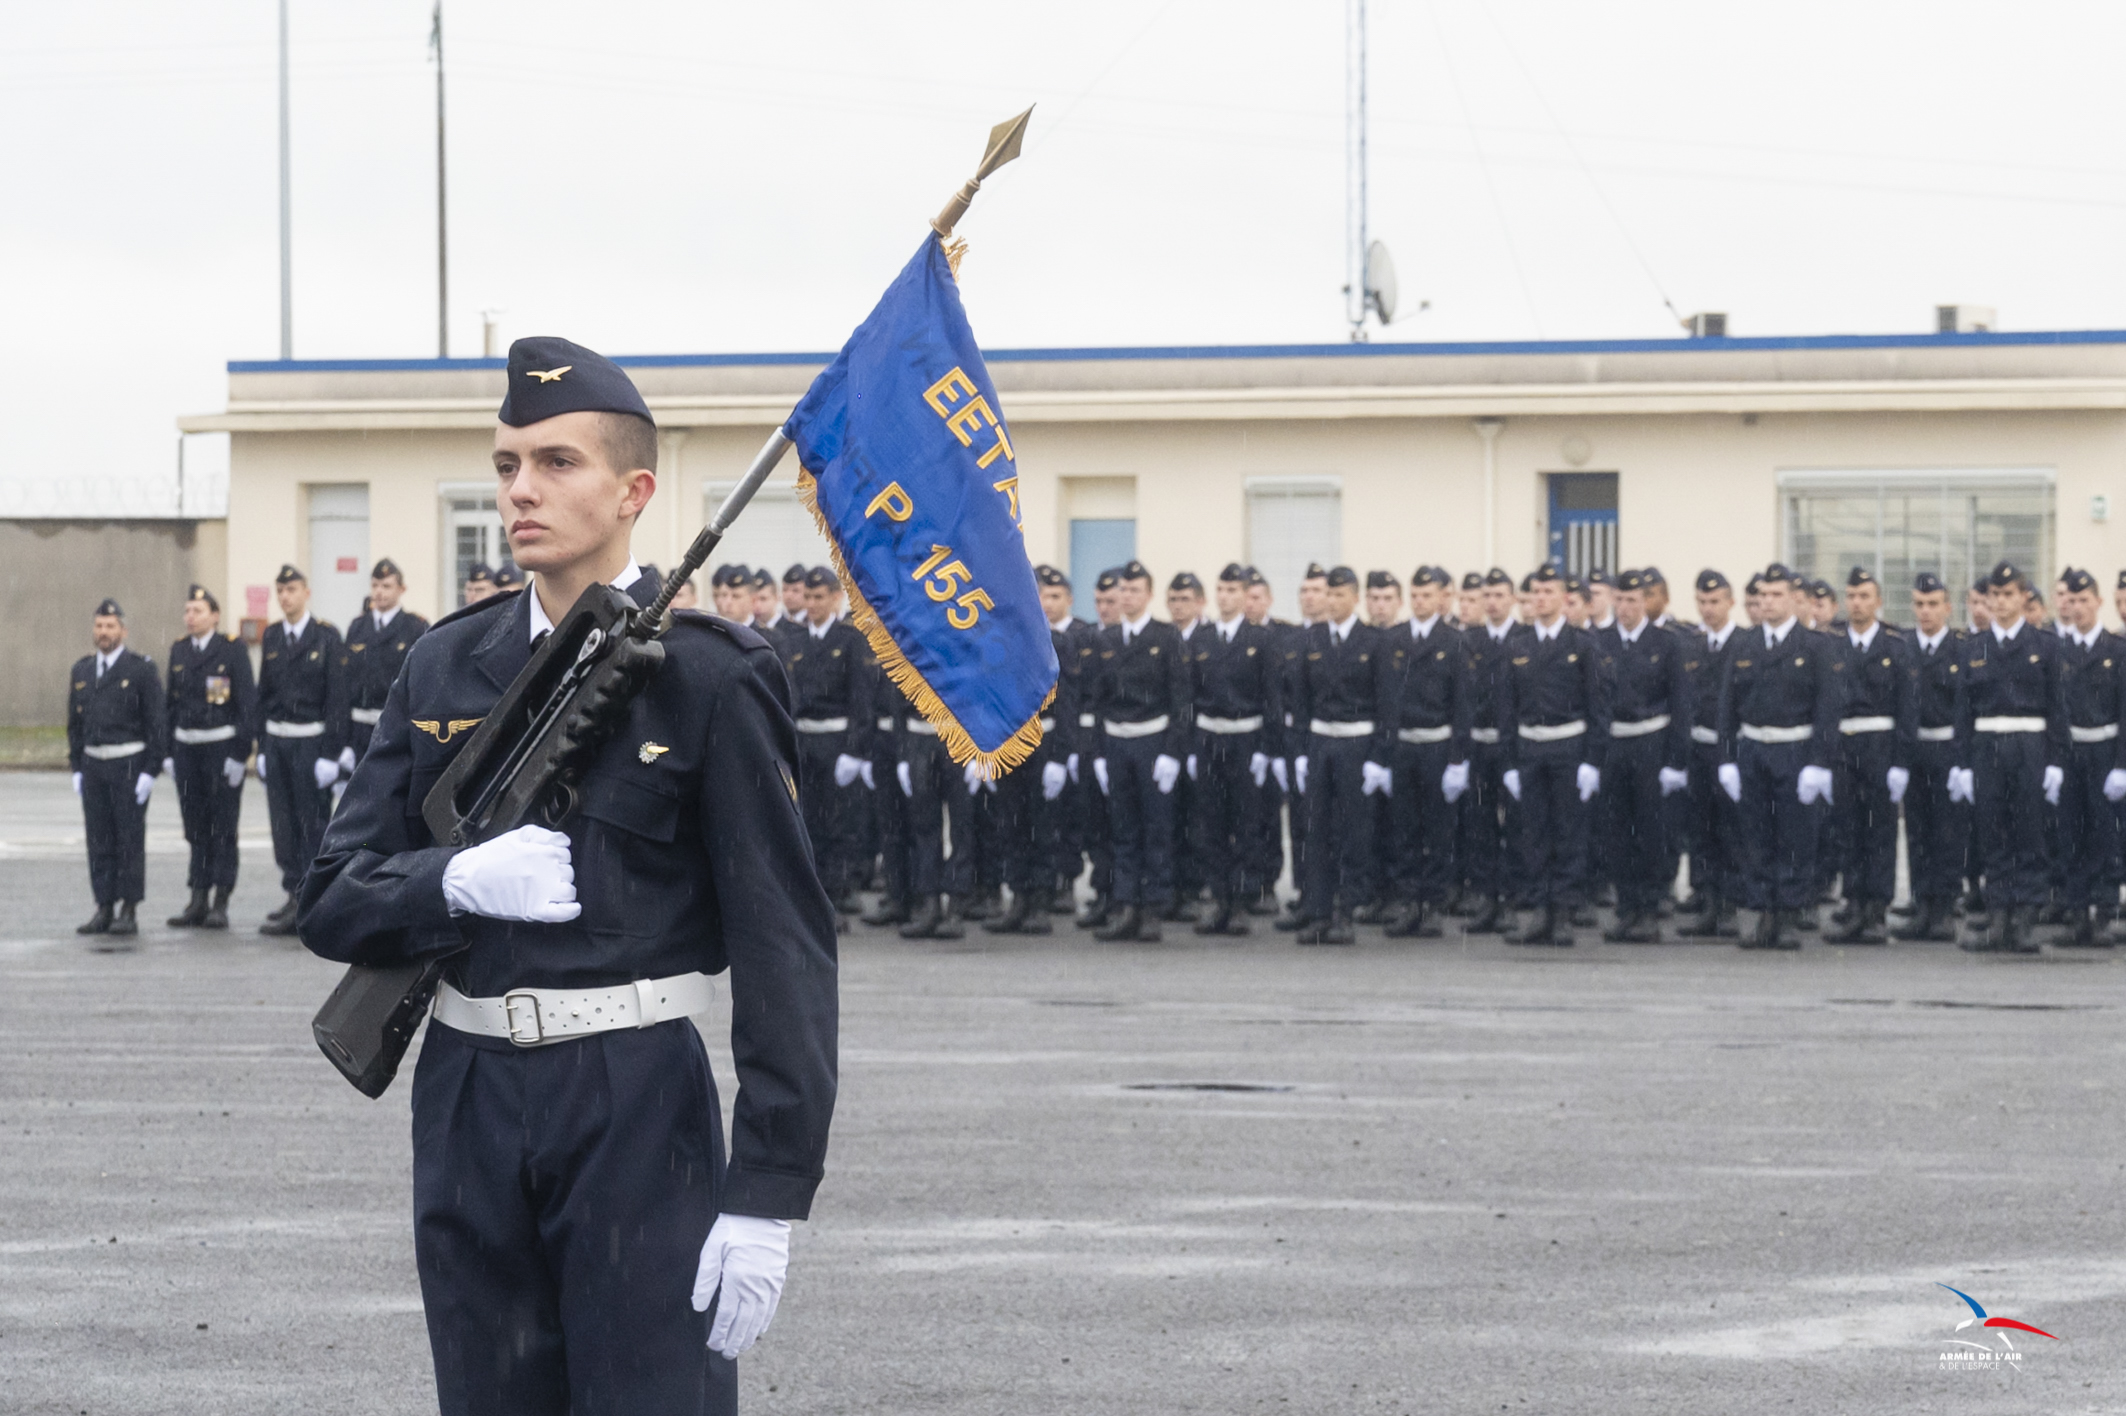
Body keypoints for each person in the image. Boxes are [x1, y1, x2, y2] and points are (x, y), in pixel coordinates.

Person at [299, 336, 836, 1414]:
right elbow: (332, 894)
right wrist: (450, 882)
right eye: (505, 466)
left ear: (634, 490)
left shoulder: (710, 678)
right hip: (467, 1093)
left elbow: (784, 943)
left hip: (633, 1095)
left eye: (554, 463)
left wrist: (768, 1191)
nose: (520, 491)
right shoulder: (444, 665)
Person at [1716, 564, 1840, 950]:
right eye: (1762, 596)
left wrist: (1819, 763)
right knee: (1754, 836)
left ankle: (1787, 914)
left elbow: (1827, 709)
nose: (1767, 602)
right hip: (1753, 749)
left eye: (1775, 595)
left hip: (1796, 749)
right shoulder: (1743, 644)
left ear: (1792, 599)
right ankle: (1760, 914)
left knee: (1794, 836)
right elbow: (1727, 706)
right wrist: (1726, 759)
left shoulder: (1815, 646)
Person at [1952, 561, 2068, 952]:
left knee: (2029, 832)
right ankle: (1998, 917)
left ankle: (2024, 921)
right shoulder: (1974, 647)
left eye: (2008, 595)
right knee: (1993, 832)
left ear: (2023, 597)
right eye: (1994, 595)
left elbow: (2057, 708)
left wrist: (2055, 761)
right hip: (1988, 746)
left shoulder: (2046, 645)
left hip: (2030, 745)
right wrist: (1963, 764)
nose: (2000, 602)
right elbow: (1963, 711)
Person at [1495, 564, 1609, 946]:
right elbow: (1506, 710)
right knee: (1532, 834)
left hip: (1569, 748)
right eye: (1535, 593)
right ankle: (1539, 912)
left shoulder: (1582, 645)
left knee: (1569, 833)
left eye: (1548, 592)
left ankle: (1563, 912)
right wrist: (1509, 763)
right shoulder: (1518, 645)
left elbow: (1598, 708)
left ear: (1563, 598)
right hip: (1529, 750)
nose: (1541, 599)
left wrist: (1593, 761)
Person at [1286, 566, 1392, 944]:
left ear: (1354, 598)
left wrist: (1379, 758)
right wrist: (1299, 752)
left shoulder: (1373, 642)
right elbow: (1300, 701)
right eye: (1327, 595)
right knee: (1316, 833)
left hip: (1357, 745)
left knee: (1353, 833)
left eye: (1338, 595)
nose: (1330, 602)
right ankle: (1318, 911)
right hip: (1319, 745)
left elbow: (1386, 705)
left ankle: (1346, 911)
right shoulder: (1311, 639)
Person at [1088, 560, 1191, 942]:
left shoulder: (1166, 637)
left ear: (1148, 595)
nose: (1127, 596)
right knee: (1123, 830)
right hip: (1117, 743)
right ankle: (1126, 905)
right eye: (1123, 590)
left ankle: (1152, 909)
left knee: (1157, 829)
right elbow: (1097, 703)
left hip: (1153, 742)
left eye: (1135, 590)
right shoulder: (1107, 640)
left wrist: (1172, 752)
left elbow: (1181, 698)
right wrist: (1098, 752)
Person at [1182, 563, 1282, 936]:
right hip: (1209, 739)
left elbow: (1272, 698)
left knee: (1246, 823)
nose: (1226, 597)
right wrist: (1190, 746)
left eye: (1233, 591)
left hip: (1246, 739)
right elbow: (1189, 698)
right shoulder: (1201, 639)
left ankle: (1241, 901)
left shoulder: (1262, 639)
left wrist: (1267, 750)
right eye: (1221, 590)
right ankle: (1218, 899)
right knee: (1211, 823)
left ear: (1244, 596)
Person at [1817, 567, 1917, 945]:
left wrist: (1901, 763)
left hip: (1880, 746)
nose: (1857, 604)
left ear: (1878, 602)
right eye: (1852, 596)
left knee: (1879, 830)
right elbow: (1826, 705)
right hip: (1844, 746)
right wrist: (1824, 758)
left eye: (1864, 597)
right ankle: (1854, 902)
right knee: (1846, 829)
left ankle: (1876, 909)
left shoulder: (1896, 645)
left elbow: (1908, 708)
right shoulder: (1831, 643)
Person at [1594, 569, 1692, 942]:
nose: (1624, 608)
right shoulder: (1599, 642)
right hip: (1613, 746)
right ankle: (1626, 907)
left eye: (1632, 601)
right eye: (1619, 600)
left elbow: (1682, 704)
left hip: (1652, 743)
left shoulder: (1666, 643)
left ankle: (1649, 909)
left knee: (1651, 831)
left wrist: (1676, 761)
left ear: (1646, 602)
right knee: (1615, 831)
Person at [984, 565, 1079, 935]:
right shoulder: (1002, 639)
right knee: (1010, 824)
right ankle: (1018, 898)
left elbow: (1068, 703)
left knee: (1043, 826)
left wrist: (1060, 757)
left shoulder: (1059, 642)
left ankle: (1040, 900)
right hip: (1009, 742)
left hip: (1045, 740)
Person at [255, 564, 347, 936]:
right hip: (279, 742)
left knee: (312, 824)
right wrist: (261, 746)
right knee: (283, 824)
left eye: (291, 589)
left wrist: (331, 753)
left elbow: (337, 698)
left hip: (311, 743)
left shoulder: (326, 636)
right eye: (280, 590)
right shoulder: (273, 636)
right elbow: (264, 695)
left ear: (306, 593)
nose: (284, 597)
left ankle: (313, 900)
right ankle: (293, 895)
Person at [67, 598, 165, 942]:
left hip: (128, 765)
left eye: (110, 626)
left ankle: (128, 909)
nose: (103, 632)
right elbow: (74, 725)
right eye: (98, 626)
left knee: (128, 839)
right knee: (99, 839)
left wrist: (151, 770)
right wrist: (77, 766)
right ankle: (104, 905)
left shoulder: (139, 670)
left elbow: (156, 722)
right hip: (94, 765)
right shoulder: (81, 670)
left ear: (122, 631)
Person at [782, 566, 874, 926]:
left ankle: (835, 898)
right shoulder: (795, 641)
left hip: (836, 742)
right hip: (805, 739)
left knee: (837, 824)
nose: (812, 604)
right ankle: (812, 899)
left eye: (819, 597)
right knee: (807, 823)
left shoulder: (850, 639)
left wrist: (855, 750)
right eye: (808, 596)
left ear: (836, 597)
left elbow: (861, 700)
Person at [1380, 566, 1468, 938]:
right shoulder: (1394, 639)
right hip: (1403, 746)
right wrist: (1383, 757)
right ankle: (1408, 903)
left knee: (1437, 831)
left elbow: (1462, 705)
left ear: (1441, 598)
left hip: (1436, 744)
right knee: (1404, 830)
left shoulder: (1454, 641)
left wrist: (1457, 760)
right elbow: (1385, 702)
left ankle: (1431, 905)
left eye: (1427, 596)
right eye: (1415, 596)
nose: (1420, 602)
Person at [163, 585, 253, 931]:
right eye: (188, 610)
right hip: (188, 749)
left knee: (223, 827)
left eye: (198, 611)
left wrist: (240, 753)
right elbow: (171, 704)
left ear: (214, 616)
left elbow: (246, 703)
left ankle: (221, 900)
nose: (191, 617)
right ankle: (197, 897)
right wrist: (169, 751)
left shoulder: (230, 650)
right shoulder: (180, 650)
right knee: (195, 825)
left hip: (220, 748)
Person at [2047, 567, 2124, 947]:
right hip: (2070, 751)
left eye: (2084, 600)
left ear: (2099, 601)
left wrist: (2122, 765)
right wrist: (2055, 761)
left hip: (2105, 750)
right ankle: (2076, 912)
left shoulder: (2116, 650)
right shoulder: (2058, 650)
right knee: (2071, 832)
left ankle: (2105, 910)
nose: (2077, 607)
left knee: (2105, 831)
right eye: (2071, 600)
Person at [1892, 573, 1966, 942]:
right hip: (1913, 747)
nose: (1926, 611)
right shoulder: (1902, 647)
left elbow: (1967, 708)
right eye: (1919, 604)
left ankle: (1944, 910)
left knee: (1948, 831)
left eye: (1933, 604)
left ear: (1947, 607)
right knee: (1918, 829)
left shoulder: (1962, 648)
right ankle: (1921, 904)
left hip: (1947, 748)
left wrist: (1963, 759)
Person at [1676, 571, 1745, 938]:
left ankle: (1730, 905)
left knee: (1731, 829)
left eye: (1715, 601)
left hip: (1730, 749)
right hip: (1698, 748)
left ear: (1730, 603)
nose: (1708, 609)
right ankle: (1707, 900)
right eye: (1702, 602)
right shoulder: (1692, 645)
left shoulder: (1745, 644)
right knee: (1700, 828)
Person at [1456, 567, 1519, 935]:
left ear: (1512, 599)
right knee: (1479, 824)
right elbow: (1462, 700)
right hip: (1478, 743)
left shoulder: (1524, 639)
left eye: (1499, 595)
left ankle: (1511, 901)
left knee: (1516, 824)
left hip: (1510, 746)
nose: (1492, 602)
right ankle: (1487, 900)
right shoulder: (1469, 641)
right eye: (1487, 596)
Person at [1074, 569, 1126, 929]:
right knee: (1094, 823)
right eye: (1099, 602)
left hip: (1121, 739)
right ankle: (1103, 891)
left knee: (1122, 824)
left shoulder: (1131, 641)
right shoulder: (1089, 639)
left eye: (1111, 601)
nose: (1104, 608)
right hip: (1090, 740)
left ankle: (1124, 897)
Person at [342, 558, 429, 767]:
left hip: (395, 727)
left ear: (402, 589)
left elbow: (421, 683)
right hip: (359, 730)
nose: (379, 592)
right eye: (375, 585)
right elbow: (344, 684)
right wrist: (342, 741)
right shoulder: (358, 627)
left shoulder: (414, 627)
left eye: (386, 586)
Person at [1243, 567, 1292, 915]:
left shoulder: (1286, 635)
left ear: (1270, 599)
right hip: (1243, 738)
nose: (1250, 603)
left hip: (1275, 737)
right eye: (1246, 596)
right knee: (1243, 816)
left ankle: (1269, 884)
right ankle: (1245, 881)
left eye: (1257, 596)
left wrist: (1276, 747)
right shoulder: (1229, 636)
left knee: (1270, 817)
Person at [1165, 571, 1210, 921]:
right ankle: (1170, 889)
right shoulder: (1164, 639)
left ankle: (1193, 889)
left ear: (1200, 603)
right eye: (1173, 600)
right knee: (1168, 819)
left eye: (1185, 600)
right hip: (1166, 743)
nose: (1178, 607)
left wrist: (1195, 747)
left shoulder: (1209, 640)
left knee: (1197, 820)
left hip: (1199, 743)